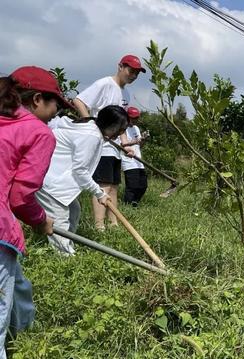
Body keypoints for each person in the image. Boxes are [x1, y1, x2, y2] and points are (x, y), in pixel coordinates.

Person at [0, 66, 73, 357]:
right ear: (38, 99)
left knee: (18, 285)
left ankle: (25, 335)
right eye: (56, 104)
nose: (57, 111)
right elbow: (20, 197)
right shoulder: (38, 132)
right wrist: (41, 222)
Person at [36, 106, 129, 255]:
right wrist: (99, 194)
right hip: (50, 181)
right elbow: (80, 171)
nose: (119, 134)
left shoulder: (93, 129)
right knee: (60, 220)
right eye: (120, 130)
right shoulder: (91, 136)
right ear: (112, 126)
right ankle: (65, 256)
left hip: (55, 176)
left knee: (74, 209)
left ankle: (67, 244)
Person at [71, 54, 145, 230]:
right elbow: (78, 101)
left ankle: (113, 224)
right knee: (102, 185)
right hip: (101, 145)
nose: (133, 75)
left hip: (114, 147)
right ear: (120, 66)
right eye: (130, 70)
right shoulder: (104, 84)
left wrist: (126, 145)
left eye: (136, 73)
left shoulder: (125, 92)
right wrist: (90, 124)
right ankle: (99, 226)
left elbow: (122, 124)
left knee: (113, 186)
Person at [121, 107, 148, 207]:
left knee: (143, 185)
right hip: (128, 160)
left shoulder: (136, 128)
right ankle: (128, 205)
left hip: (138, 161)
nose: (135, 120)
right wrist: (136, 141)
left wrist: (143, 140)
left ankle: (135, 203)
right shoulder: (122, 128)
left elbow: (140, 145)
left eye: (136, 118)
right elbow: (121, 144)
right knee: (132, 186)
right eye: (133, 118)